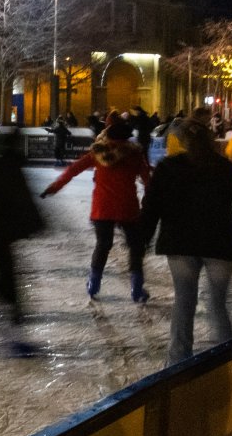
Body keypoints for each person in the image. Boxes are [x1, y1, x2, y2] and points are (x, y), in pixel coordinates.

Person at [141, 118, 232, 366]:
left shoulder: (168, 168)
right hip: (219, 245)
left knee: (184, 300)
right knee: (217, 303)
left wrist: (141, 238)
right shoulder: (225, 168)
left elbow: (151, 205)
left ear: (183, 141)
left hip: (180, 244)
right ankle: (226, 360)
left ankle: (178, 360)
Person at [42, 113, 151, 302]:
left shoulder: (97, 154)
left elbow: (72, 170)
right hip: (128, 207)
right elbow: (148, 181)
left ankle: (93, 284)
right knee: (135, 246)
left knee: (103, 245)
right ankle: (136, 287)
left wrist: (54, 187)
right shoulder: (135, 155)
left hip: (103, 207)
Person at [0, 137, 44, 357]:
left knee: (6, 279)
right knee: (8, 282)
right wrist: (37, 224)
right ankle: (12, 338)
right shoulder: (10, 172)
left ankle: (11, 331)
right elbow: (23, 201)